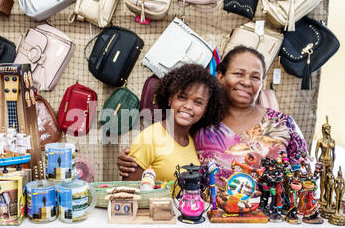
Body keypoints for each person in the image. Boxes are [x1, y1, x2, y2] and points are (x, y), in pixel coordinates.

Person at [118, 46, 310, 187]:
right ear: (220, 76)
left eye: (255, 77)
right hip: (207, 225)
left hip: (270, 226)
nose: (246, 82)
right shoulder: (201, 124)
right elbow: (165, 145)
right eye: (238, 73)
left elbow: (306, 175)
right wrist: (132, 159)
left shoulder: (283, 124)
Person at [121, 63, 225, 183]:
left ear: (206, 109)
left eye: (198, 102)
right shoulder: (149, 138)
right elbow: (128, 194)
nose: (188, 106)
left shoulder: (191, 140)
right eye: (182, 97)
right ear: (170, 98)